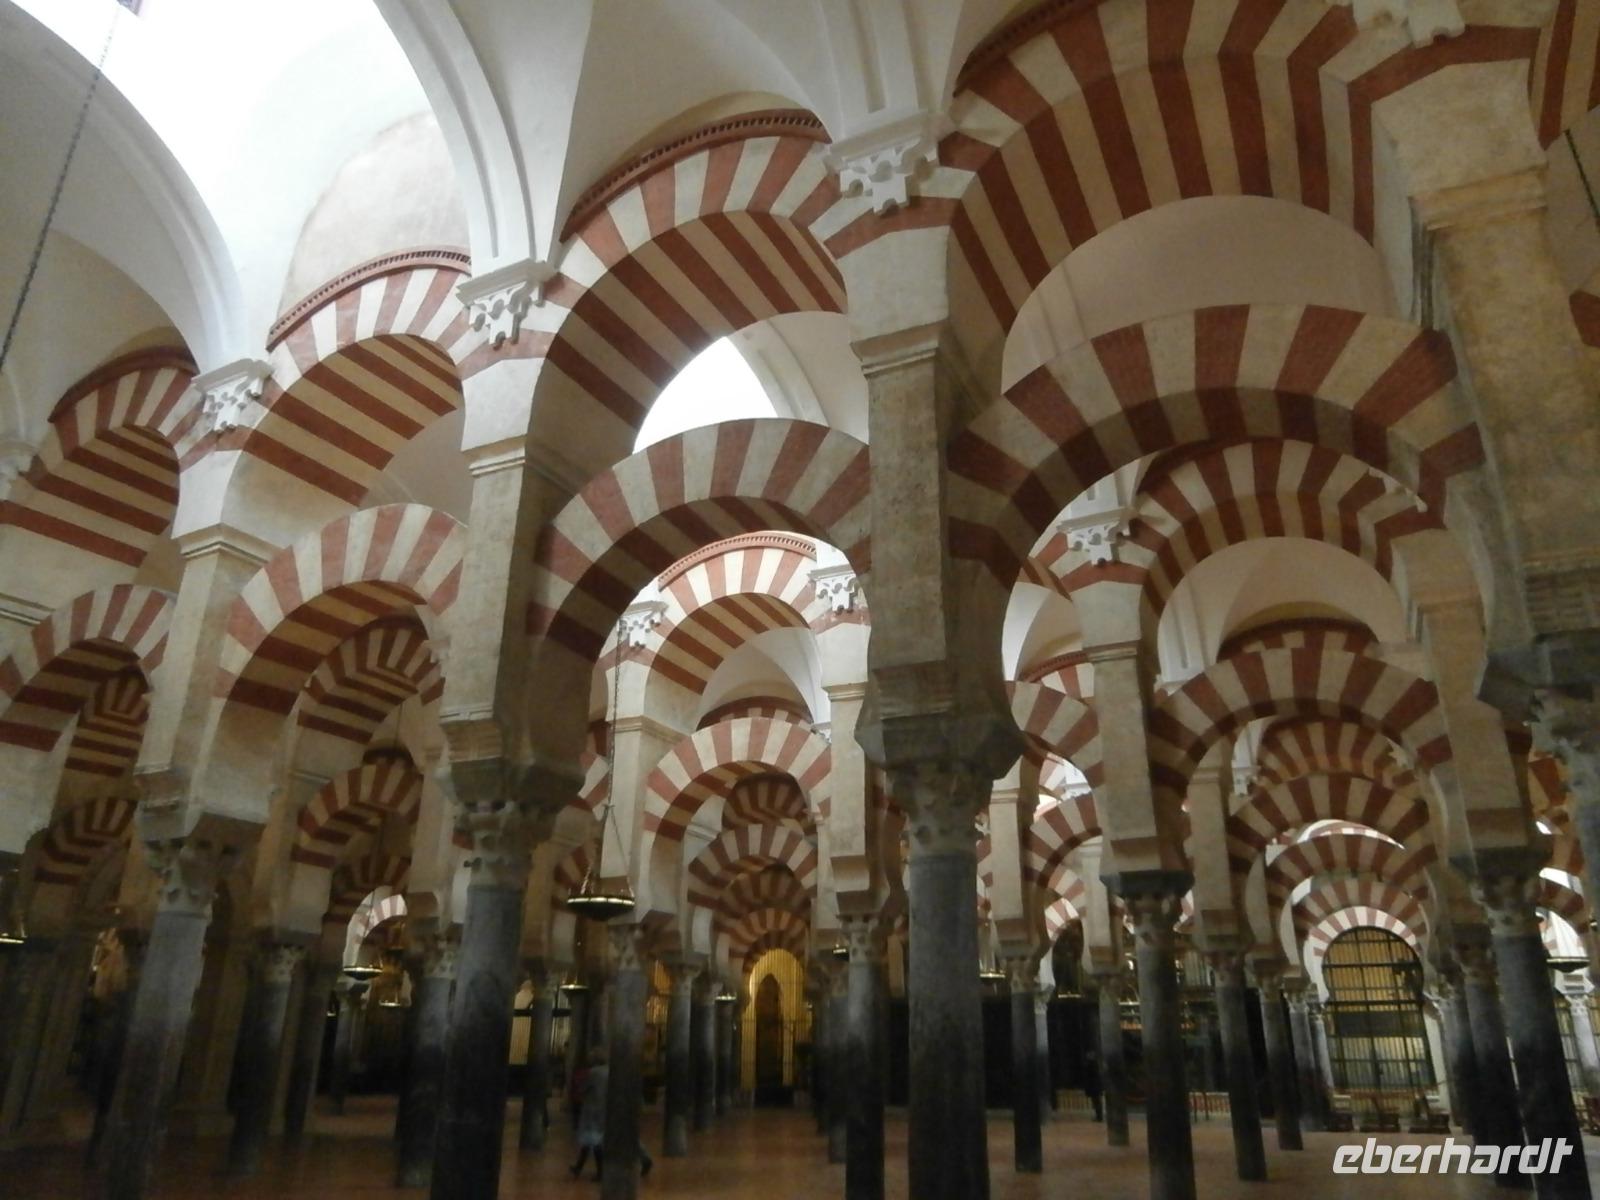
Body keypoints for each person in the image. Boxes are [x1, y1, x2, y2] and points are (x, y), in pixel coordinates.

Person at [569, 1051, 653, 1182]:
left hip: (599, 1110)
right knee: (626, 1136)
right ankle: (644, 1157)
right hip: (618, 1107)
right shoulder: (616, 1071)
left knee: (594, 1139)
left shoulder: (595, 1072)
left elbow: (583, 1089)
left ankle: (598, 1171)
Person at [1083, 1049, 1104, 1121]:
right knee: (1097, 1102)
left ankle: (1099, 1117)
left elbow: (1091, 1076)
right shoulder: (1096, 1064)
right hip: (1096, 1086)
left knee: (1096, 1102)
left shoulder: (1092, 1065)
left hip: (1094, 1086)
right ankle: (1099, 1116)